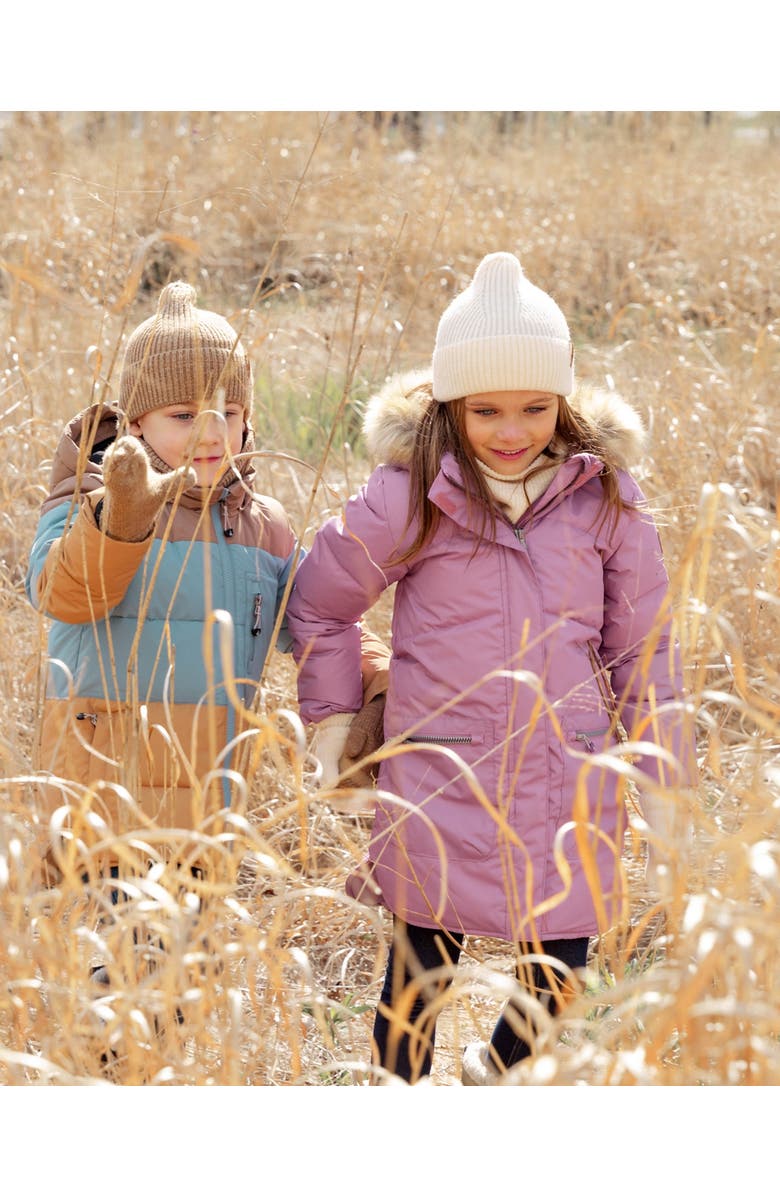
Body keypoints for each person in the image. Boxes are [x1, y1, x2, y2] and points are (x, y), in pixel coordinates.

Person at [286, 251, 698, 1084]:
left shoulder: (606, 500)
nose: (512, 432)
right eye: (487, 411)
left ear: (563, 401)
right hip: (440, 777)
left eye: (535, 408)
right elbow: (321, 602)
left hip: (566, 781)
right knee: (416, 979)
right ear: (452, 404)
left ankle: (495, 1075)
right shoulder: (409, 493)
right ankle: (399, 1106)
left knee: (560, 971)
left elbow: (643, 652)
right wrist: (335, 721)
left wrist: (664, 779)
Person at [26, 280, 388, 890]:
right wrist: (122, 518)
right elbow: (63, 594)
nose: (212, 433)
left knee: (190, 942)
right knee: (117, 941)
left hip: (210, 800)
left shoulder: (260, 524)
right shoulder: (90, 498)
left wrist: (380, 679)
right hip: (104, 790)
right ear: (136, 424)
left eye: (229, 413)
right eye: (184, 415)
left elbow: (318, 617)